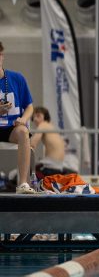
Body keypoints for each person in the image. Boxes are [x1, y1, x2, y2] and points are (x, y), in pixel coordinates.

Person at [0, 41, 36, 194]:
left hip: (11, 128)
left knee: (23, 132)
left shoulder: (17, 78)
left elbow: (29, 106)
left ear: (2, 56)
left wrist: (23, 119)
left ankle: (22, 183)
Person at [30, 106, 76, 178]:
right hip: (59, 167)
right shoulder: (51, 127)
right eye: (33, 117)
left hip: (50, 168)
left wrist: (22, 140)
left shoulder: (43, 125)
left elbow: (32, 144)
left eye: (38, 116)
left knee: (20, 173)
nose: (35, 119)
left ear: (45, 117)